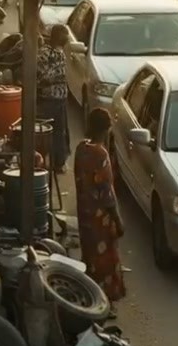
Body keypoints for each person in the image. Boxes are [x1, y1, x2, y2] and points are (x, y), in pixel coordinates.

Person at [74, 107, 125, 311]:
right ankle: (104, 302)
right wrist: (118, 219)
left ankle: (90, 296)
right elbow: (107, 192)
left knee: (89, 254)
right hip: (100, 216)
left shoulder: (81, 149)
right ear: (107, 129)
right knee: (105, 259)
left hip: (84, 212)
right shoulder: (100, 153)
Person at [37, 24, 70, 174]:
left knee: (58, 131)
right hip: (49, 98)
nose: (67, 38)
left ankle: (58, 162)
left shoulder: (58, 52)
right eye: (65, 35)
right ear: (57, 37)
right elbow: (43, 76)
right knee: (51, 132)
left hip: (58, 98)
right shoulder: (47, 53)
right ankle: (47, 161)